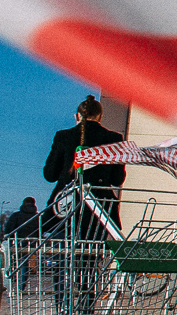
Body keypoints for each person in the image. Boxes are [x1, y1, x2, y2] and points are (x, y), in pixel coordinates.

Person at [43, 95, 125, 234]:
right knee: (94, 251)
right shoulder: (114, 139)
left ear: (78, 115)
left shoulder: (63, 136)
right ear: (100, 116)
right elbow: (117, 179)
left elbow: (50, 175)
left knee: (62, 251)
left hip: (65, 206)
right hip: (100, 208)